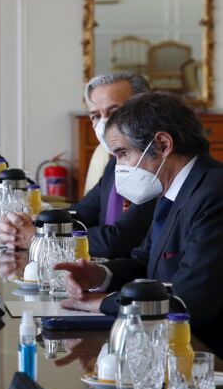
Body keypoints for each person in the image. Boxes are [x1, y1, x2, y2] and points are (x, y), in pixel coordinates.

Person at [56, 92, 223, 352]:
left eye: (123, 153)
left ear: (163, 145)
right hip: (162, 340)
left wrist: (103, 303)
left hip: (204, 351)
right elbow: (144, 264)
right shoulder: (171, 188)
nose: (119, 167)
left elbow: (191, 300)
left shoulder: (214, 194)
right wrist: (100, 275)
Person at [0, 72, 155, 258]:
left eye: (114, 113)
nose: (104, 123)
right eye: (96, 116)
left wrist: (41, 238)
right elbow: (82, 213)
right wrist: (31, 225)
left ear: (143, 112)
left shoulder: (154, 165)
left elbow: (118, 241)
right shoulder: (114, 162)